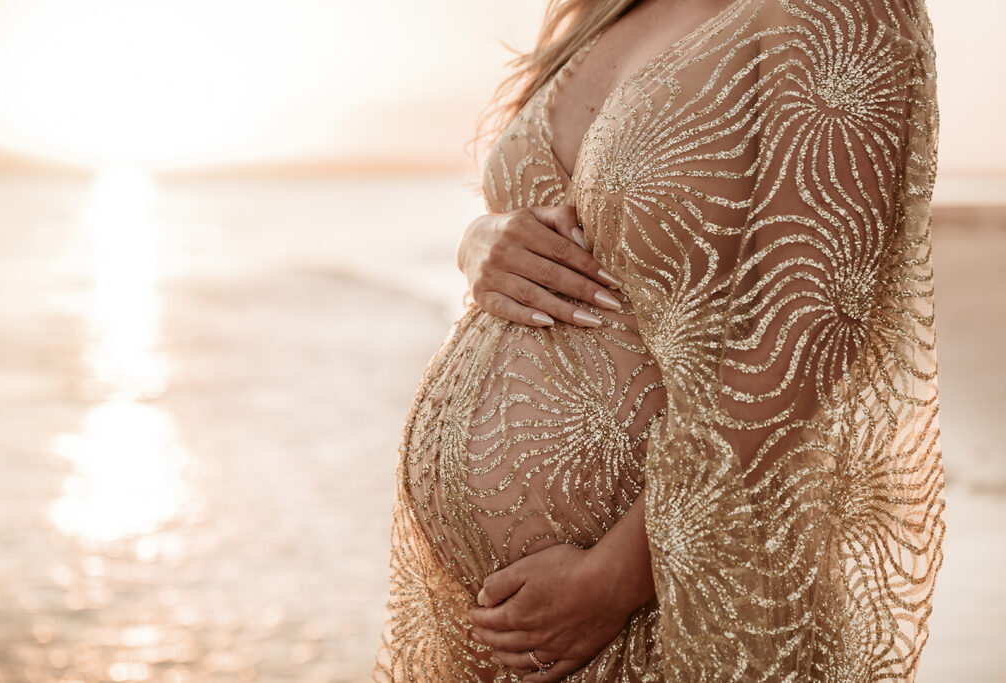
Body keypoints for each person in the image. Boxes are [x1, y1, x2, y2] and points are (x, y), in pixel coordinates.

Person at [374, 0, 945, 680]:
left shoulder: (837, 9)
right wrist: (479, 243)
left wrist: (614, 578)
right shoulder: (608, 12)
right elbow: (561, 226)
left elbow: (807, 334)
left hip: (668, 610)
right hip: (483, 629)